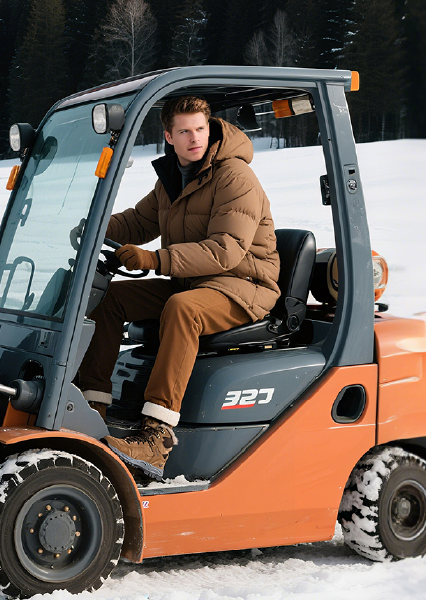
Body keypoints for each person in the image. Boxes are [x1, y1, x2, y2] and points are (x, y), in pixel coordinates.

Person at [74, 96, 280, 480]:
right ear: (168, 136)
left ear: (211, 128)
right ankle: (91, 408)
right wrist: (93, 227)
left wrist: (155, 259)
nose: (194, 138)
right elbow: (138, 222)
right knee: (109, 300)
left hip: (244, 285)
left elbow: (226, 251)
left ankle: (156, 438)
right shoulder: (172, 177)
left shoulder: (235, 176)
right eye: (184, 131)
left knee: (183, 309)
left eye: (200, 129)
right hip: (194, 280)